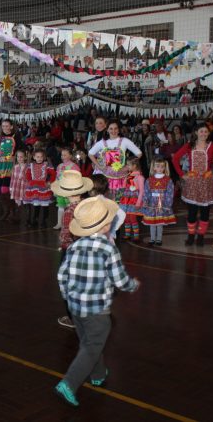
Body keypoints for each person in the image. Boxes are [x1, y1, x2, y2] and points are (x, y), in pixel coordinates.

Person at [55, 196, 140, 407]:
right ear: (105, 225)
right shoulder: (108, 249)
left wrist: (68, 295)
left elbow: (61, 276)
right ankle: (69, 383)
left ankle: (98, 374)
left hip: (76, 308)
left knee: (89, 342)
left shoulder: (74, 247)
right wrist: (133, 285)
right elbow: (119, 279)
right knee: (93, 344)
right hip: (97, 310)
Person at [51, 170, 94, 329]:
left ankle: (73, 317)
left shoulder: (69, 210)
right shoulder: (86, 206)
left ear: (65, 194)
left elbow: (67, 233)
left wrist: (63, 243)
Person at [172, 123, 213, 246]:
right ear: (196, 132)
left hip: (206, 183)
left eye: (206, 132)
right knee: (192, 212)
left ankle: (200, 236)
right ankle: (190, 236)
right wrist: (181, 174)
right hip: (193, 183)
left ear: (208, 133)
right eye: (201, 131)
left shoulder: (212, 146)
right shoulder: (189, 146)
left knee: (205, 212)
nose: (203, 134)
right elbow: (175, 159)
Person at [88, 120, 142, 208]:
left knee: (118, 200)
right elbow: (90, 154)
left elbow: (139, 154)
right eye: (111, 129)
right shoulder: (102, 142)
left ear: (119, 130)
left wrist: (127, 167)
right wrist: (99, 166)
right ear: (107, 130)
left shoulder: (125, 141)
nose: (113, 131)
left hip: (120, 178)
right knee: (105, 200)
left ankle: (118, 218)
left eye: (116, 128)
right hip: (105, 177)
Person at [0, 120, 23, 221]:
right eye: (3, 126)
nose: (5, 127)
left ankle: (12, 212)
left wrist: (16, 157)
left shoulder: (16, 137)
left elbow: (23, 149)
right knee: (0, 190)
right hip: (1, 166)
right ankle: (6, 211)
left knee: (7, 190)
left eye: (7, 126)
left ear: (11, 127)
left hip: (11, 166)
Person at [142, 157, 176, 246]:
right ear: (154, 168)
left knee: (160, 223)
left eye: (162, 167)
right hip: (151, 204)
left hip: (162, 203)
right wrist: (145, 200)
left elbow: (170, 192)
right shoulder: (149, 180)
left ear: (165, 168)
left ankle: (159, 239)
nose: (160, 168)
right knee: (152, 223)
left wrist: (168, 204)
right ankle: (152, 239)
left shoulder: (168, 180)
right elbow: (146, 191)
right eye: (158, 166)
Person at [24, 149, 56, 228]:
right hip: (34, 187)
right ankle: (35, 220)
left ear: (44, 157)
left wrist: (50, 181)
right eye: (37, 157)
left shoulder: (46, 165)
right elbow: (27, 174)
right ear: (34, 157)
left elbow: (53, 174)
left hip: (43, 186)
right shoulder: (31, 165)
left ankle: (44, 221)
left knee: (45, 204)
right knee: (36, 204)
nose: (39, 158)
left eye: (41, 156)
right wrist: (29, 181)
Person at [53, 147, 80, 230]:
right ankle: (59, 223)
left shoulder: (74, 166)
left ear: (70, 156)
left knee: (69, 206)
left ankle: (70, 224)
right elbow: (57, 177)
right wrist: (55, 186)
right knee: (60, 206)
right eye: (62, 155)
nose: (63, 156)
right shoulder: (60, 166)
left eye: (65, 155)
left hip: (70, 190)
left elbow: (77, 178)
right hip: (61, 189)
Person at [120, 157, 145, 242]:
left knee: (133, 218)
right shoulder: (128, 175)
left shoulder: (140, 177)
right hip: (125, 200)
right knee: (126, 218)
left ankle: (136, 235)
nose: (127, 166)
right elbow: (123, 187)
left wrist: (138, 203)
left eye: (128, 165)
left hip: (133, 201)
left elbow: (141, 191)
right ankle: (127, 234)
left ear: (134, 166)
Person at [9, 150, 29, 222]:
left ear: (25, 157)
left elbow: (29, 178)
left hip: (23, 187)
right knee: (17, 201)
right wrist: (11, 187)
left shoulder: (27, 167)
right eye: (18, 157)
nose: (19, 158)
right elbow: (12, 178)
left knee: (25, 202)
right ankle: (17, 217)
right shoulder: (15, 167)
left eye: (21, 157)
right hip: (16, 187)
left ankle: (26, 217)